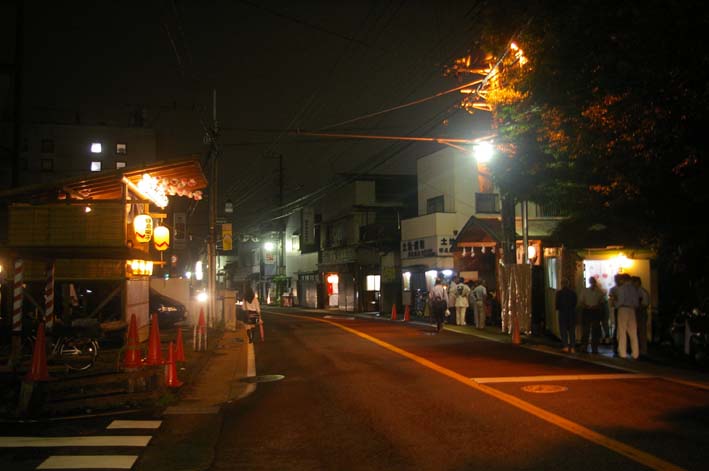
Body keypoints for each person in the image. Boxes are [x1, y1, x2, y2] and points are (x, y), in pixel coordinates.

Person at [615, 273, 640, 359]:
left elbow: (621, 300)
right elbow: (637, 302)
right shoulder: (634, 289)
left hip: (623, 309)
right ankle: (635, 353)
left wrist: (616, 305)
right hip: (632, 310)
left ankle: (622, 353)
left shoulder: (621, 288)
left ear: (623, 279)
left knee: (622, 332)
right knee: (633, 333)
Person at [579, 277, 605, 354]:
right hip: (588, 310)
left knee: (594, 330)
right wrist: (587, 306)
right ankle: (585, 346)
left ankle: (594, 347)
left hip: (594, 311)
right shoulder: (586, 290)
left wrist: (595, 306)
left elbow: (602, 302)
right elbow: (581, 301)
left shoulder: (599, 291)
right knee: (587, 329)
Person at [555, 278, 578, 352]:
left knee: (563, 330)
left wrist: (558, 308)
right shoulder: (573, 293)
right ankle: (573, 346)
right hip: (571, 313)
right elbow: (575, 303)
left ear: (562, 284)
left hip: (562, 313)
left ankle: (565, 346)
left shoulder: (559, 293)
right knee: (571, 331)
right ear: (568, 284)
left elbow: (557, 304)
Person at [632, 276, 650, 356]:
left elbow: (645, 303)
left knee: (642, 331)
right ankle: (637, 349)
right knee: (636, 332)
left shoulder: (642, 291)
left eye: (634, 282)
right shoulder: (634, 291)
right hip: (636, 312)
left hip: (641, 312)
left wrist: (638, 306)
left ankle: (643, 350)